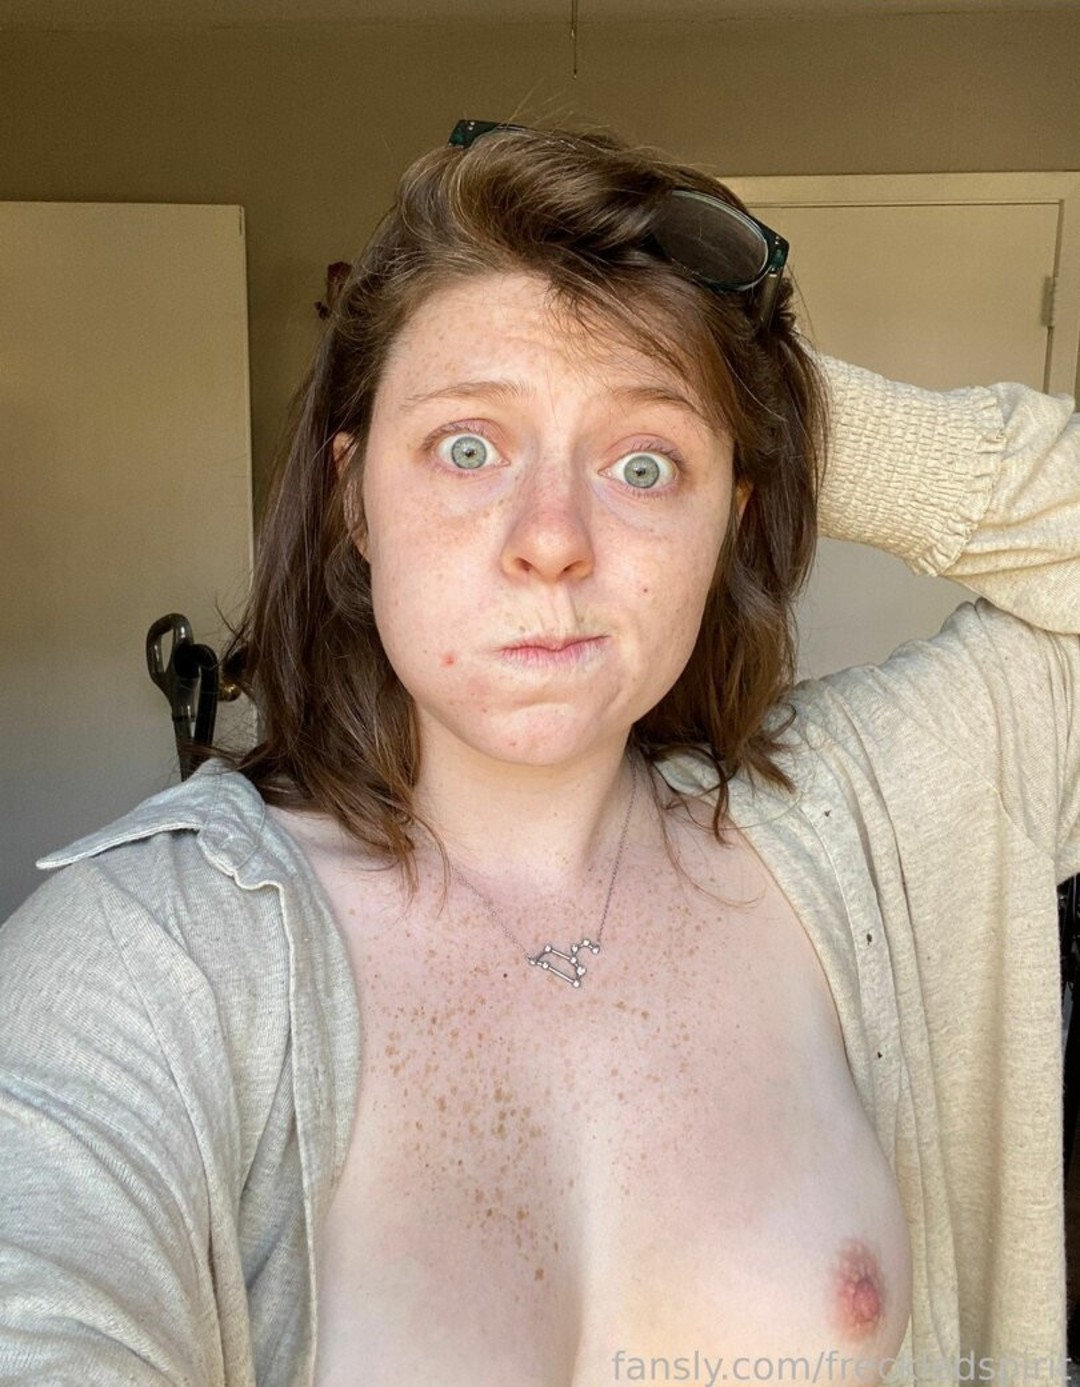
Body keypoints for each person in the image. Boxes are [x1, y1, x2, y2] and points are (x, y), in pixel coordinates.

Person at [0, 118, 1076, 1387]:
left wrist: (760, 403)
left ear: (730, 522)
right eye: (468, 447)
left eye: (643, 466)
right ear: (354, 497)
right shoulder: (143, 954)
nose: (553, 538)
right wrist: (664, 406)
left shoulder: (869, 814)